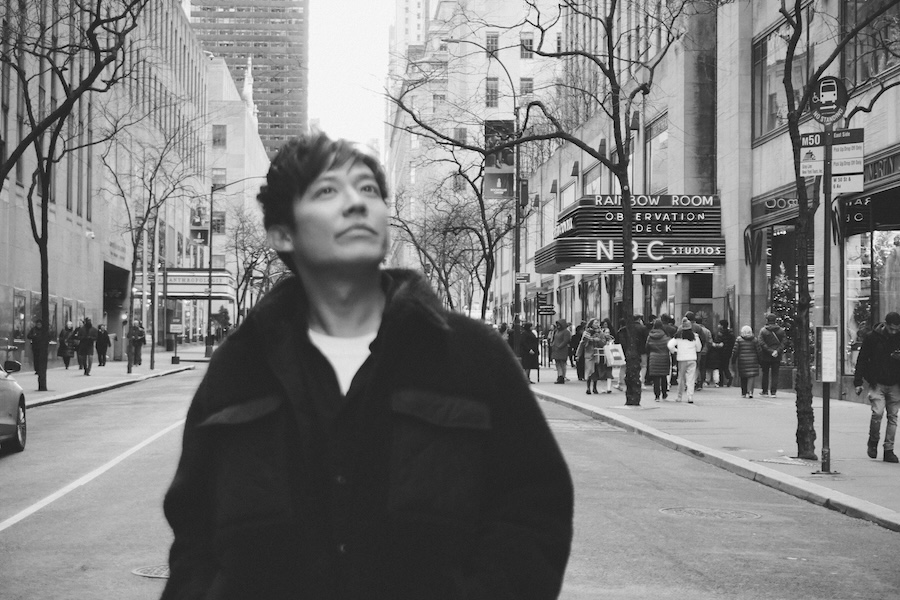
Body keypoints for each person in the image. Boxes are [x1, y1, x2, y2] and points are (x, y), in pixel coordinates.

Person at [160, 132, 574, 600]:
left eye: (369, 189)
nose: (357, 203)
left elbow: (534, 510)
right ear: (282, 233)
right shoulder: (241, 365)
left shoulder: (472, 356)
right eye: (327, 191)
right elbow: (194, 533)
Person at [853, 311, 900, 463]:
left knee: (893, 417)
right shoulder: (872, 338)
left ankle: (889, 449)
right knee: (877, 413)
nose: (894, 332)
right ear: (885, 324)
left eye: (897, 329)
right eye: (891, 328)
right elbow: (862, 359)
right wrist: (858, 382)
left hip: (895, 383)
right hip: (877, 382)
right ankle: (873, 441)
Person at [668, 317, 702, 403]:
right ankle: (690, 396)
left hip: (682, 359)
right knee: (691, 378)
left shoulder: (678, 336)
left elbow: (670, 345)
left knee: (681, 378)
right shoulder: (695, 336)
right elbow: (699, 348)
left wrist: (675, 350)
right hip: (692, 359)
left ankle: (679, 396)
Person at [757, 313, 786, 397]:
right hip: (777, 355)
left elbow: (761, 342)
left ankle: (765, 391)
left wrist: (770, 351)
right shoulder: (781, 331)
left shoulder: (763, 331)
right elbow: (784, 342)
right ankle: (773, 392)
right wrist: (777, 351)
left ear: (767, 320)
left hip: (765, 355)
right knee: (775, 373)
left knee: (765, 373)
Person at [645, 319, 672, 401]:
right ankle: (664, 393)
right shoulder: (665, 336)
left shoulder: (650, 336)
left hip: (653, 357)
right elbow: (669, 345)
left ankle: (657, 396)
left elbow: (647, 347)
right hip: (664, 357)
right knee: (663, 376)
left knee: (655, 378)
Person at [731, 325, 760, 398]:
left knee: (743, 376)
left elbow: (735, 351)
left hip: (742, 361)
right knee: (751, 376)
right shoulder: (754, 340)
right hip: (753, 360)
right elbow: (758, 351)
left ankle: (744, 393)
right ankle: (750, 392)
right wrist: (760, 360)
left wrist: (733, 360)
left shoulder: (739, 339)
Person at [576, 319, 601, 394]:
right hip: (589, 354)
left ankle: (595, 387)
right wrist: (578, 355)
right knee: (589, 370)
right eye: (595, 322)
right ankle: (588, 388)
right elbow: (582, 343)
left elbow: (602, 341)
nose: (597, 324)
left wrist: (598, 340)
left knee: (596, 371)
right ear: (591, 324)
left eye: (597, 322)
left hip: (597, 354)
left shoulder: (600, 332)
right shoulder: (586, 332)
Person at [550, 318, 572, 384]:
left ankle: (562, 376)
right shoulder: (557, 331)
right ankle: (559, 375)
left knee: (562, 363)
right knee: (557, 363)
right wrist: (553, 345)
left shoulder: (566, 332)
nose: (558, 326)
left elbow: (566, 341)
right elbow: (555, 339)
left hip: (562, 349)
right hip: (556, 349)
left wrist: (559, 346)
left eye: (559, 324)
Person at [717, 320, 736, 387]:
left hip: (721, 352)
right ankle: (729, 377)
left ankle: (721, 382)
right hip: (728, 352)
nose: (718, 326)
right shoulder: (731, 334)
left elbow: (718, 342)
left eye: (719, 324)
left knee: (720, 367)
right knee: (725, 366)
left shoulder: (720, 334)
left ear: (722, 326)